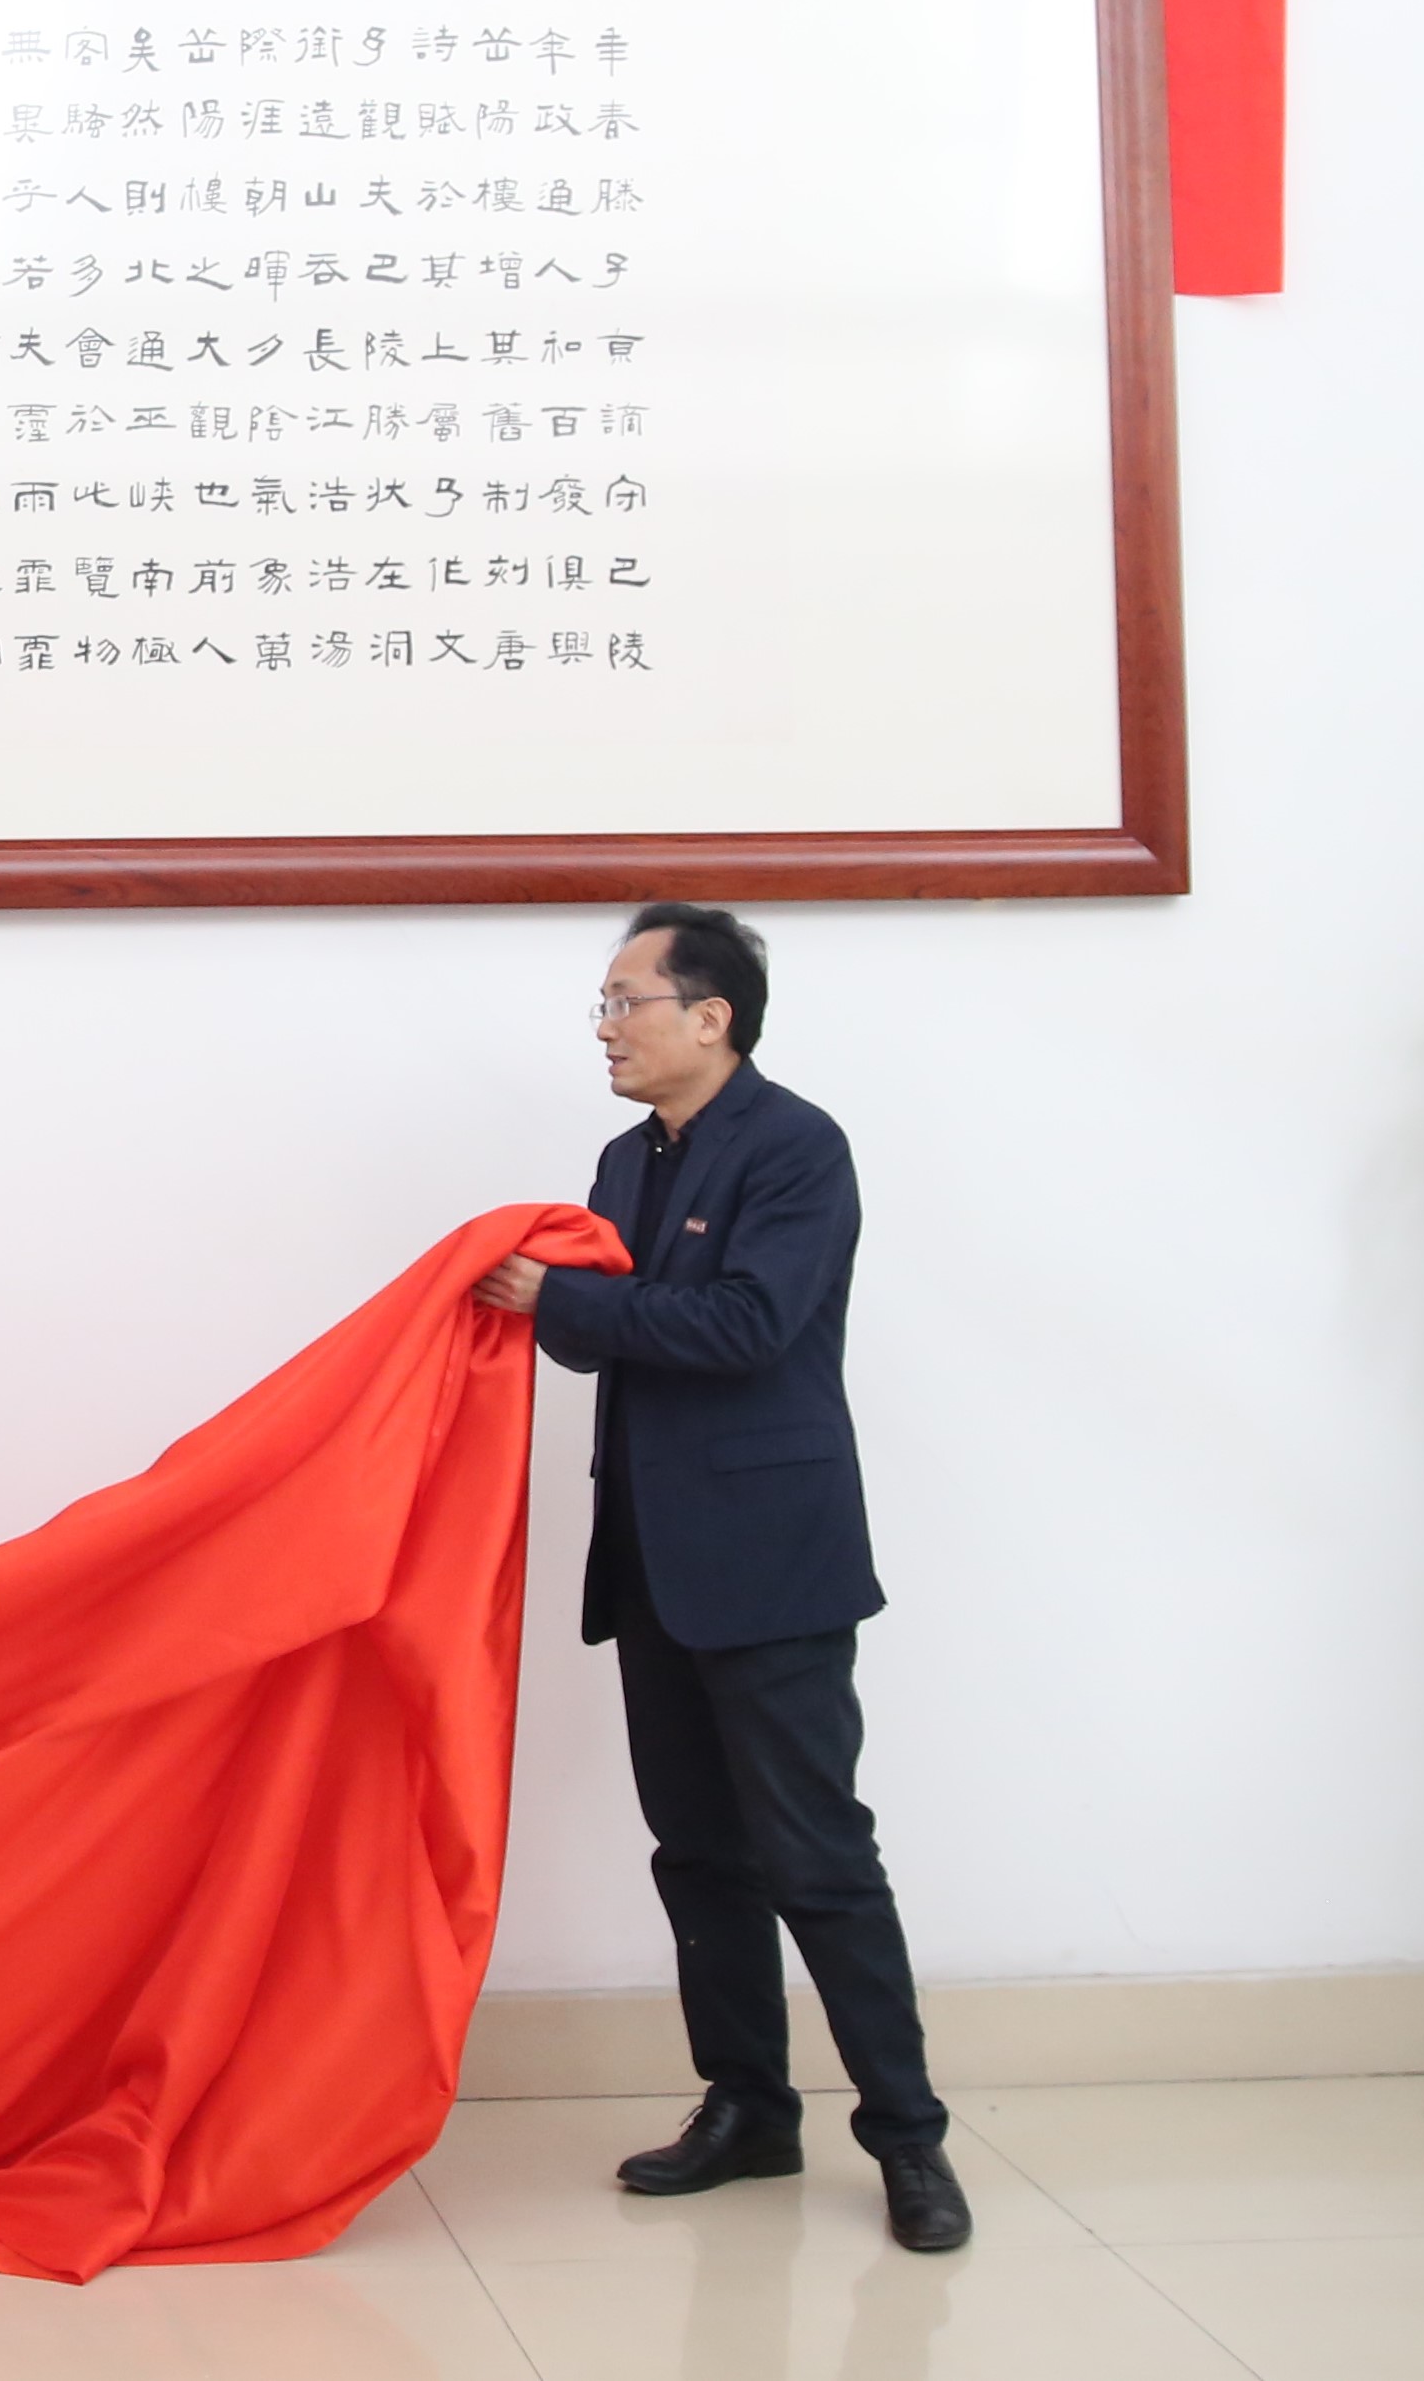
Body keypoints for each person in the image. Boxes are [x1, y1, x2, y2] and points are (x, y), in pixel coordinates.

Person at [471, 904, 971, 2254]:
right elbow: (596, 1344)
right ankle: (748, 2107)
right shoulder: (623, 1161)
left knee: (818, 1858)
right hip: (650, 1557)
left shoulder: (798, 1147)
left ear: (712, 1017)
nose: (606, 1028)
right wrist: (543, 1300)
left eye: (625, 1002)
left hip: (771, 1560)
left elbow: (750, 1325)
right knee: (698, 1854)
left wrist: (559, 1299)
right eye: (603, 1004)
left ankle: (909, 2139)